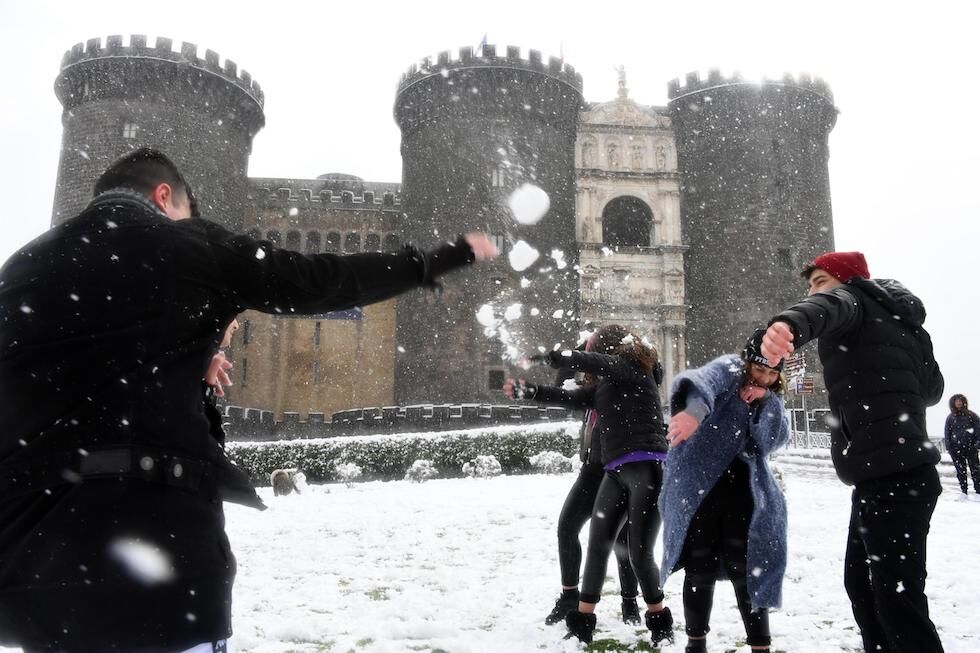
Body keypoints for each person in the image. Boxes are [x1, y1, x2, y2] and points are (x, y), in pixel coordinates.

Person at [0, 148, 497, 653]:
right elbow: (317, 280)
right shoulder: (185, 244)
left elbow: (92, 367)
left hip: (32, 569)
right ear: (164, 195)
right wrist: (437, 259)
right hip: (152, 553)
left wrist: (189, 362)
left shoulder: (19, 267)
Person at [760, 251, 945, 653]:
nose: (812, 289)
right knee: (863, 587)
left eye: (820, 280)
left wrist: (788, 324)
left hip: (896, 475)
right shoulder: (896, 321)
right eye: (809, 284)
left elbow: (825, 306)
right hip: (886, 475)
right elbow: (932, 390)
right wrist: (909, 343)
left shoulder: (851, 300)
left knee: (898, 601)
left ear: (849, 280)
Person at [505, 325, 673, 645]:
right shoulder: (602, 388)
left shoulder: (634, 368)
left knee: (638, 553)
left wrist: (553, 357)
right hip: (612, 472)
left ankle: (659, 624)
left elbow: (597, 363)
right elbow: (569, 397)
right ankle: (581, 626)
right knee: (598, 547)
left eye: (593, 348)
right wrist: (531, 391)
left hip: (645, 468)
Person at [660, 329, 789, 653]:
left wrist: (766, 401)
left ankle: (761, 645)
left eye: (773, 373)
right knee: (699, 566)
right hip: (699, 487)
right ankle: (696, 644)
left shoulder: (768, 395)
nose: (764, 377)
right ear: (747, 362)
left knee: (748, 568)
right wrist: (693, 414)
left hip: (742, 492)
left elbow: (773, 440)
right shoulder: (730, 368)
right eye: (760, 370)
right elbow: (702, 382)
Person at [536, 339, 641, 627]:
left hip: (618, 470)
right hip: (591, 469)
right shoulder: (588, 387)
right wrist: (573, 353)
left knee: (623, 540)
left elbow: (653, 370)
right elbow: (563, 383)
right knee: (567, 526)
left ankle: (630, 603)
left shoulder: (626, 380)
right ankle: (570, 596)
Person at [944, 394, 980, 499]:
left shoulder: (972, 416)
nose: (958, 403)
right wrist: (949, 447)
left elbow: (978, 430)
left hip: (971, 448)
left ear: (964, 402)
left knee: (976, 471)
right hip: (956, 449)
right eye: (956, 401)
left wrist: (977, 445)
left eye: (960, 401)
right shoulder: (950, 417)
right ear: (953, 403)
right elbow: (947, 433)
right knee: (960, 471)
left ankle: (978, 492)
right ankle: (964, 492)